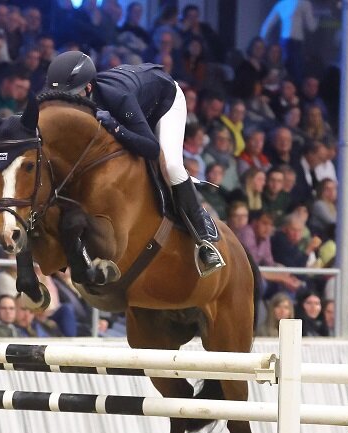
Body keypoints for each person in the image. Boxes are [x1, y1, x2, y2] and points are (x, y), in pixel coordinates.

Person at [42, 51, 225, 276]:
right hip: (135, 105)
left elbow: (151, 148)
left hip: (163, 102)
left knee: (171, 166)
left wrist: (115, 127)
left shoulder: (117, 98)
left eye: (70, 97)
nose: (63, 105)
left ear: (88, 89)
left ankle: (203, 237)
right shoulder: (62, 98)